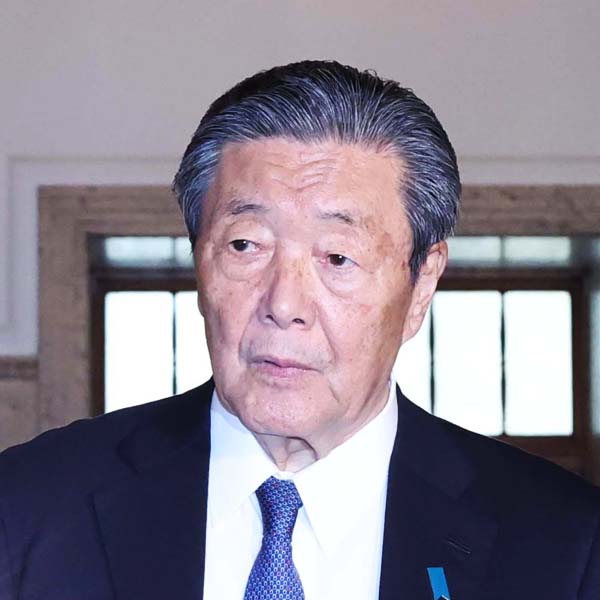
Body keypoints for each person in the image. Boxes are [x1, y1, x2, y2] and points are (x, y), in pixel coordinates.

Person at [0, 60, 598, 600]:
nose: (284, 304)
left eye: (338, 257)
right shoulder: (28, 507)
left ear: (421, 285)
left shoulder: (565, 545)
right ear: (199, 262)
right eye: (245, 245)